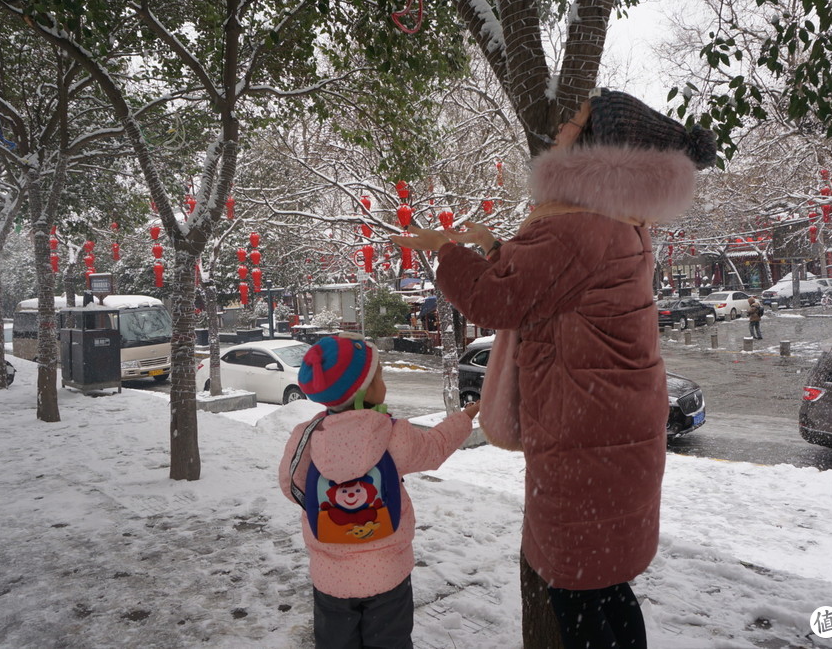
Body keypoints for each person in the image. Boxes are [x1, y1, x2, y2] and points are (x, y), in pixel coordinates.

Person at [392, 89, 716, 649]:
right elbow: (553, 288)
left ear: (598, 143)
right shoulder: (622, 222)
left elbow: (499, 299)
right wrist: (496, 245)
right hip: (616, 438)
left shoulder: (573, 228)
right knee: (608, 588)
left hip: (582, 445)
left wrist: (443, 248)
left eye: (576, 120)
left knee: (577, 596)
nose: (562, 127)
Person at [278, 334, 479, 649]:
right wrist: (465, 417)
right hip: (388, 574)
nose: (384, 381)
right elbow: (435, 449)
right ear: (367, 390)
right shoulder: (391, 433)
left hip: (330, 576)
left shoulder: (306, 437)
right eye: (380, 375)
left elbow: (291, 487)